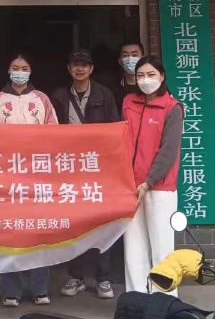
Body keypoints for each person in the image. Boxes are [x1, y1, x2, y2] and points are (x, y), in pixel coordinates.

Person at [0, 54, 57, 307]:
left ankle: (40, 289)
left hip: (37, 174)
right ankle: (10, 291)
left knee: (39, 232)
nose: (20, 71)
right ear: (8, 70)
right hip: (7, 174)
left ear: (31, 71)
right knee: (10, 232)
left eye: (24, 68)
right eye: (15, 67)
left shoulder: (42, 99)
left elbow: (56, 135)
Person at [52, 49, 120, 300]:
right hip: (69, 168)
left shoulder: (104, 94)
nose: (80, 69)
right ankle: (76, 276)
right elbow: (50, 131)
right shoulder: (59, 96)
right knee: (75, 225)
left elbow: (115, 130)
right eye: (75, 65)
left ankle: (103, 279)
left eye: (84, 65)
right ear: (69, 69)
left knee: (103, 224)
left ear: (91, 69)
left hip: (98, 167)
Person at [122, 55, 184, 294]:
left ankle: (164, 300)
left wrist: (148, 182)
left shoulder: (172, 107)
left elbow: (168, 151)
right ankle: (136, 297)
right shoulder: (129, 102)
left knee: (162, 249)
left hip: (159, 188)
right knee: (133, 247)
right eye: (140, 75)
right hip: (130, 186)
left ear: (162, 76)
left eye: (151, 74)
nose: (145, 80)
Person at [117, 42, 144, 110]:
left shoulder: (153, 85)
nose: (130, 59)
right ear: (120, 61)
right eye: (125, 55)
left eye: (134, 55)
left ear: (143, 59)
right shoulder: (112, 89)